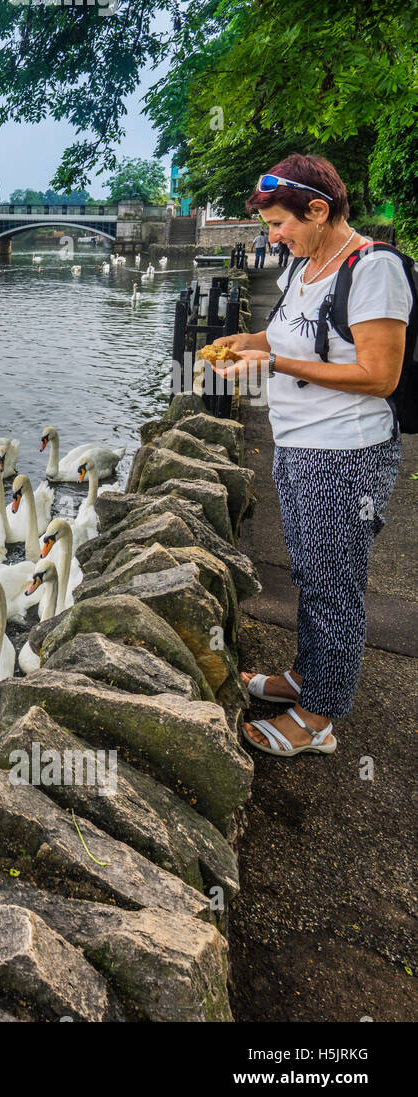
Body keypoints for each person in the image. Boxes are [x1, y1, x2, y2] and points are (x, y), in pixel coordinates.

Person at [216, 154, 411, 758]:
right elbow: (291, 339)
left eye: (280, 224)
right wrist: (243, 342)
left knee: (335, 585)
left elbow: (379, 375)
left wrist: (270, 364)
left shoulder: (373, 269)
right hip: (298, 447)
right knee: (308, 573)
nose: (272, 237)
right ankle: (306, 675)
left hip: (346, 455)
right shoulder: (302, 269)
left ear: (318, 210)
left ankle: (319, 718)